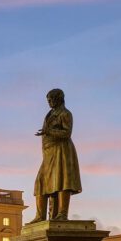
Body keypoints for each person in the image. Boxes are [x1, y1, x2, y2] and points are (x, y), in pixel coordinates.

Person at [29, 88, 81, 222]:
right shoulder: (50, 114)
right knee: (40, 182)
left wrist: (49, 131)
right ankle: (40, 216)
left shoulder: (65, 113)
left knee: (62, 180)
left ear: (59, 99)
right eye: (48, 100)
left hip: (62, 151)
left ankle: (62, 214)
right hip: (49, 153)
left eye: (51, 99)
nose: (49, 102)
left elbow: (67, 133)